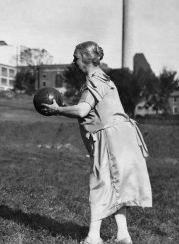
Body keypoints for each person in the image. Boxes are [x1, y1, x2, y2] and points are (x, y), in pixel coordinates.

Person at [42, 41, 152, 244]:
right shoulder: (103, 78)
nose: (73, 61)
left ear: (85, 58)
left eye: (75, 56)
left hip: (111, 137)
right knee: (116, 185)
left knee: (100, 183)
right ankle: (123, 236)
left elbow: (82, 110)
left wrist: (57, 109)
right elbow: (87, 110)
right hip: (120, 136)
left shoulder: (96, 80)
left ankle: (93, 237)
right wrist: (66, 108)